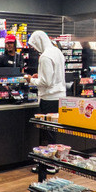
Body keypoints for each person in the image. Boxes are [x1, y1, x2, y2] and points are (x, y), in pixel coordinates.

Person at [28, 30, 66, 174]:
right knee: (52, 132)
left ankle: (47, 164)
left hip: (48, 99)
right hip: (59, 97)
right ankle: (53, 162)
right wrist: (41, 76)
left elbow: (46, 82)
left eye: (34, 45)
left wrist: (31, 80)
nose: (35, 48)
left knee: (45, 133)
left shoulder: (45, 56)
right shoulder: (57, 52)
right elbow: (53, 76)